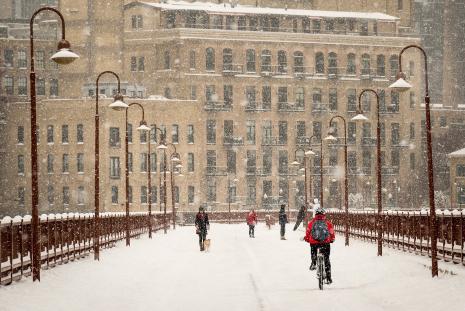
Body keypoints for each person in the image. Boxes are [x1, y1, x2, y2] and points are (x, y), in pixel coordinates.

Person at [304, 206, 335, 284]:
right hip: (325, 243)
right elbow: (331, 233)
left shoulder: (311, 223)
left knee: (313, 251)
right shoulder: (328, 223)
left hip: (314, 243)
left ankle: (314, 263)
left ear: (315, 215)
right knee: (327, 259)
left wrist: (307, 239)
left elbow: (308, 232)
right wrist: (331, 239)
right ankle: (328, 278)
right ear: (324, 214)